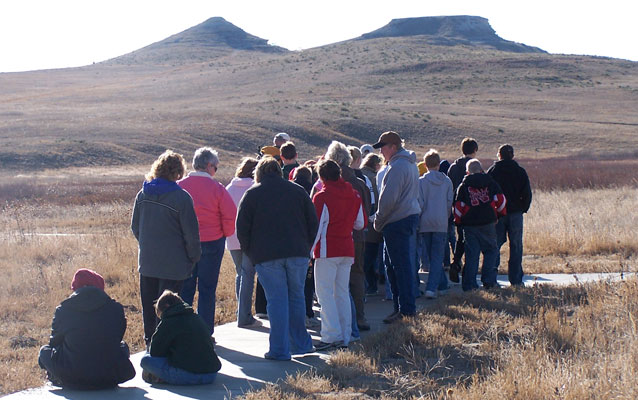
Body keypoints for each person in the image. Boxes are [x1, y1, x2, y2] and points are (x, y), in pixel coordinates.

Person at [236, 156, 318, 360]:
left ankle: (280, 350)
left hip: (266, 255)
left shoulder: (252, 194)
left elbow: (242, 229)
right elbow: (313, 223)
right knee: (297, 297)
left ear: (259, 173)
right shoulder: (298, 191)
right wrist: (306, 246)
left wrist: (251, 252)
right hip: (297, 252)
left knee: (277, 301)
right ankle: (301, 344)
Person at [131, 150, 201, 345]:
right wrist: (194, 257)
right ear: (178, 172)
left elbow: (135, 227)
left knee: (149, 307)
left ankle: (150, 345)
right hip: (174, 265)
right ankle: (167, 347)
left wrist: (148, 245)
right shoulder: (182, 197)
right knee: (169, 309)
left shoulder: (142, 194)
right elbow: (191, 234)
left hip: (147, 263)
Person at [38, 269, 135, 389]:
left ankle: (55, 377)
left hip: (72, 376)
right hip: (109, 376)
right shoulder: (116, 308)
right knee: (123, 346)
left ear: (75, 288)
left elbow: (54, 343)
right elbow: (117, 338)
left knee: (44, 352)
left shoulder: (63, 309)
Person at [178, 147, 236, 337]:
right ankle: (204, 333)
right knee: (207, 289)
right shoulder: (217, 189)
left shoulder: (180, 186)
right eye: (216, 167)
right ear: (209, 166)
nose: (216, 171)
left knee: (185, 289)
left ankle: (184, 331)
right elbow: (229, 215)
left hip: (184, 244)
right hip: (212, 243)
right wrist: (224, 234)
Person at [312, 159, 365, 350]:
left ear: (321, 176)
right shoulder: (354, 194)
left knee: (324, 294)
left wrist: (309, 252)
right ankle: (346, 334)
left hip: (327, 250)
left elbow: (316, 228)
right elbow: (360, 223)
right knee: (342, 292)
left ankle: (330, 334)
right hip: (347, 248)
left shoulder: (322, 196)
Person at [373, 131, 420, 323]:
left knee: (399, 267)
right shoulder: (407, 163)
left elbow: (388, 200)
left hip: (397, 221)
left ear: (393, 146)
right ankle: (401, 308)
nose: (381, 151)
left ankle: (406, 310)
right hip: (404, 218)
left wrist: (378, 220)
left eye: (383, 147)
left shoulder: (398, 166)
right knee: (396, 267)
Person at [323, 141, 371, 331]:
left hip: (333, 239)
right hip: (358, 237)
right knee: (357, 276)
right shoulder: (359, 183)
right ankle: (359, 317)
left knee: (335, 284)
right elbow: (366, 212)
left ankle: (339, 322)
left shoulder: (329, 184)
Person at [141, 290, 221, 385]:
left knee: (145, 360)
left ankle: (162, 377)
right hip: (211, 375)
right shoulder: (196, 318)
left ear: (166, 307)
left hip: (189, 375)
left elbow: (155, 352)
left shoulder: (169, 321)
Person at [454, 159, 506, 291]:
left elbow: (458, 207)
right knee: (491, 251)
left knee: (472, 255)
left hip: (470, 225)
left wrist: (459, 222)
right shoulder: (491, 183)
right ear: (481, 170)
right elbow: (500, 200)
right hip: (488, 223)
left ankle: (469, 285)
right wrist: (499, 215)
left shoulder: (464, 186)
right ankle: (488, 281)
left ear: (467, 172)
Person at [487, 144, 532, 286]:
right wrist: (522, 209)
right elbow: (527, 194)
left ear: (499, 155)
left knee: (495, 245)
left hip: (498, 214)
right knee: (516, 246)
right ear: (512, 156)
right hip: (516, 214)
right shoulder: (520, 171)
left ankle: (491, 279)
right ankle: (516, 280)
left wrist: (491, 212)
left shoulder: (492, 171)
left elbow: (487, 194)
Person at [226, 157, 260, 327]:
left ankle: (241, 310)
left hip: (232, 237)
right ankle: (244, 314)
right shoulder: (256, 188)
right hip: (251, 238)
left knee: (240, 273)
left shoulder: (229, 188)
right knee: (248, 275)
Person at [417, 150, 453, 299]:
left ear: (425, 165)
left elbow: (420, 203)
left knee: (432, 257)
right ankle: (438, 286)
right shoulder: (447, 182)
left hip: (425, 222)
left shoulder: (421, 182)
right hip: (441, 222)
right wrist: (445, 217)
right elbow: (449, 203)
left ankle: (433, 287)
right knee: (437, 256)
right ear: (439, 164)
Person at [446, 137, 479, 283]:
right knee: (473, 241)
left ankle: (456, 262)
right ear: (475, 150)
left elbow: (449, 188)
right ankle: (468, 271)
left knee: (460, 238)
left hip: (457, 209)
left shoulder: (453, 167)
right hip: (474, 209)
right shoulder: (476, 167)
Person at [361, 154, 383, 295]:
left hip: (361, 223)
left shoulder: (359, 175)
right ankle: (364, 286)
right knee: (369, 256)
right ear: (376, 165)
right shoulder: (374, 179)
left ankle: (371, 285)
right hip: (371, 223)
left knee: (365, 257)